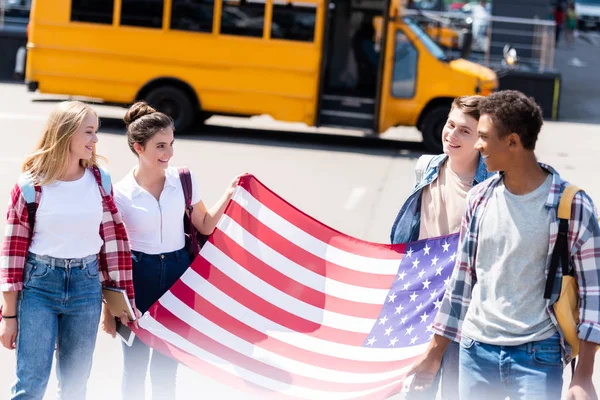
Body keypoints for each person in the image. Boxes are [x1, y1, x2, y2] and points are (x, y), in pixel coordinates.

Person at [409, 90, 600, 400]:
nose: (478, 145)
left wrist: (583, 375)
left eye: (483, 136)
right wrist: (434, 354)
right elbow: (462, 282)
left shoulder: (572, 206)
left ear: (512, 142)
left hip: (539, 358)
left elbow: (595, 293)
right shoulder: (479, 199)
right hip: (474, 352)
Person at [102, 101, 243, 400]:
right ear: (139, 148)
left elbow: (203, 224)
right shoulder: (120, 192)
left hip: (179, 275)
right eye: (161, 146)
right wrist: (108, 307)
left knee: (168, 365)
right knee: (135, 364)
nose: (169, 153)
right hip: (139, 276)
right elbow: (109, 251)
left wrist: (229, 195)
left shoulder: (184, 180)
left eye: (171, 144)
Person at [0, 101, 137, 399]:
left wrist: (114, 304)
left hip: (85, 288)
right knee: (30, 386)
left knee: (75, 388)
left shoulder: (101, 180)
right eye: (89, 132)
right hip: (39, 288)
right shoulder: (30, 187)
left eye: (96, 132)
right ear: (65, 134)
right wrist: (8, 318)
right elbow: (11, 257)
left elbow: (111, 244)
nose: (95, 140)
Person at [390, 95, 493, 400]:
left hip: (465, 307)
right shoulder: (426, 167)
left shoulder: (492, 187)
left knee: (455, 389)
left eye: (465, 131)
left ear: (481, 140)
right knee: (416, 389)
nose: (452, 134)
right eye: (451, 125)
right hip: (421, 298)